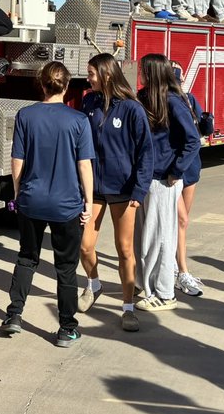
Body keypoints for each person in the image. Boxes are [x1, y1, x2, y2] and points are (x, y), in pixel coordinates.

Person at [1, 61, 95, 348]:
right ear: (66, 87)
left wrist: (19, 194)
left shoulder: (25, 116)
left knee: (27, 258)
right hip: (66, 204)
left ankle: (14, 315)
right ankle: (66, 327)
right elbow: (84, 166)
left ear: (41, 85)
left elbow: (17, 160)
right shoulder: (78, 121)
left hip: (32, 199)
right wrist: (88, 202)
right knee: (66, 268)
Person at [79, 53, 154, 332]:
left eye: (91, 74)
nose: (88, 79)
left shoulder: (132, 109)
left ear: (107, 75)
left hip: (124, 190)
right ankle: (94, 284)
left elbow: (146, 152)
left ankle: (127, 307)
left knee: (124, 250)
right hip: (94, 189)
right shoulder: (89, 102)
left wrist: (140, 188)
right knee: (85, 246)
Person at [134, 54, 200, 313]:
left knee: (161, 238)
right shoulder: (143, 98)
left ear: (153, 72)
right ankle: (145, 285)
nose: (140, 73)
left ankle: (164, 293)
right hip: (144, 178)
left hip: (163, 179)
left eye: (143, 70)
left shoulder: (173, 101)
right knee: (145, 237)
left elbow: (193, 140)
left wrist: (176, 171)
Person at [170, 60, 205, 298]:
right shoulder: (163, 103)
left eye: (179, 80)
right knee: (178, 218)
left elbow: (200, 131)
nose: (178, 84)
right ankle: (180, 270)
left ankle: (177, 267)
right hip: (173, 171)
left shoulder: (190, 100)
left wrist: (206, 124)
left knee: (182, 222)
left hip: (191, 169)